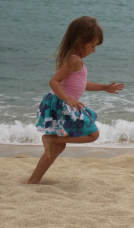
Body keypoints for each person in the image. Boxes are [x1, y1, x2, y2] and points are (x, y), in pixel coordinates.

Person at [26, 16, 125, 184]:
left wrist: (104, 87)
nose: (94, 50)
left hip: (59, 103)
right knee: (93, 134)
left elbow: (81, 84)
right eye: (92, 45)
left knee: (57, 148)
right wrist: (67, 99)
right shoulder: (74, 60)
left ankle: (33, 180)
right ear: (80, 41)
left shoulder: (76, 60)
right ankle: (51, 139)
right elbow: (54, 81)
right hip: (61, 103)